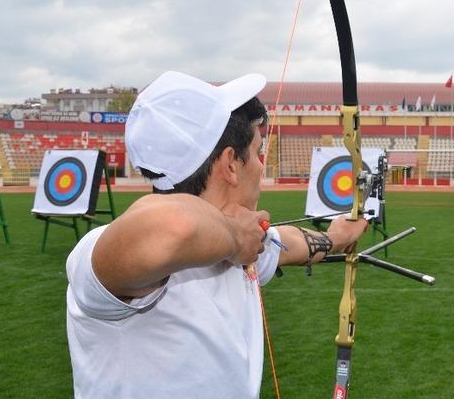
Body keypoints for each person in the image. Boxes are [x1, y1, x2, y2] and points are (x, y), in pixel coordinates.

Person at [65, 71, 367, 398]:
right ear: (230, 164)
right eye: (257, 151)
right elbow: (174, 226)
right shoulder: (99, 252)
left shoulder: (241, 244)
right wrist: (236, 239)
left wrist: (336, 238)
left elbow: (286, 243)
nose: (261, 166)